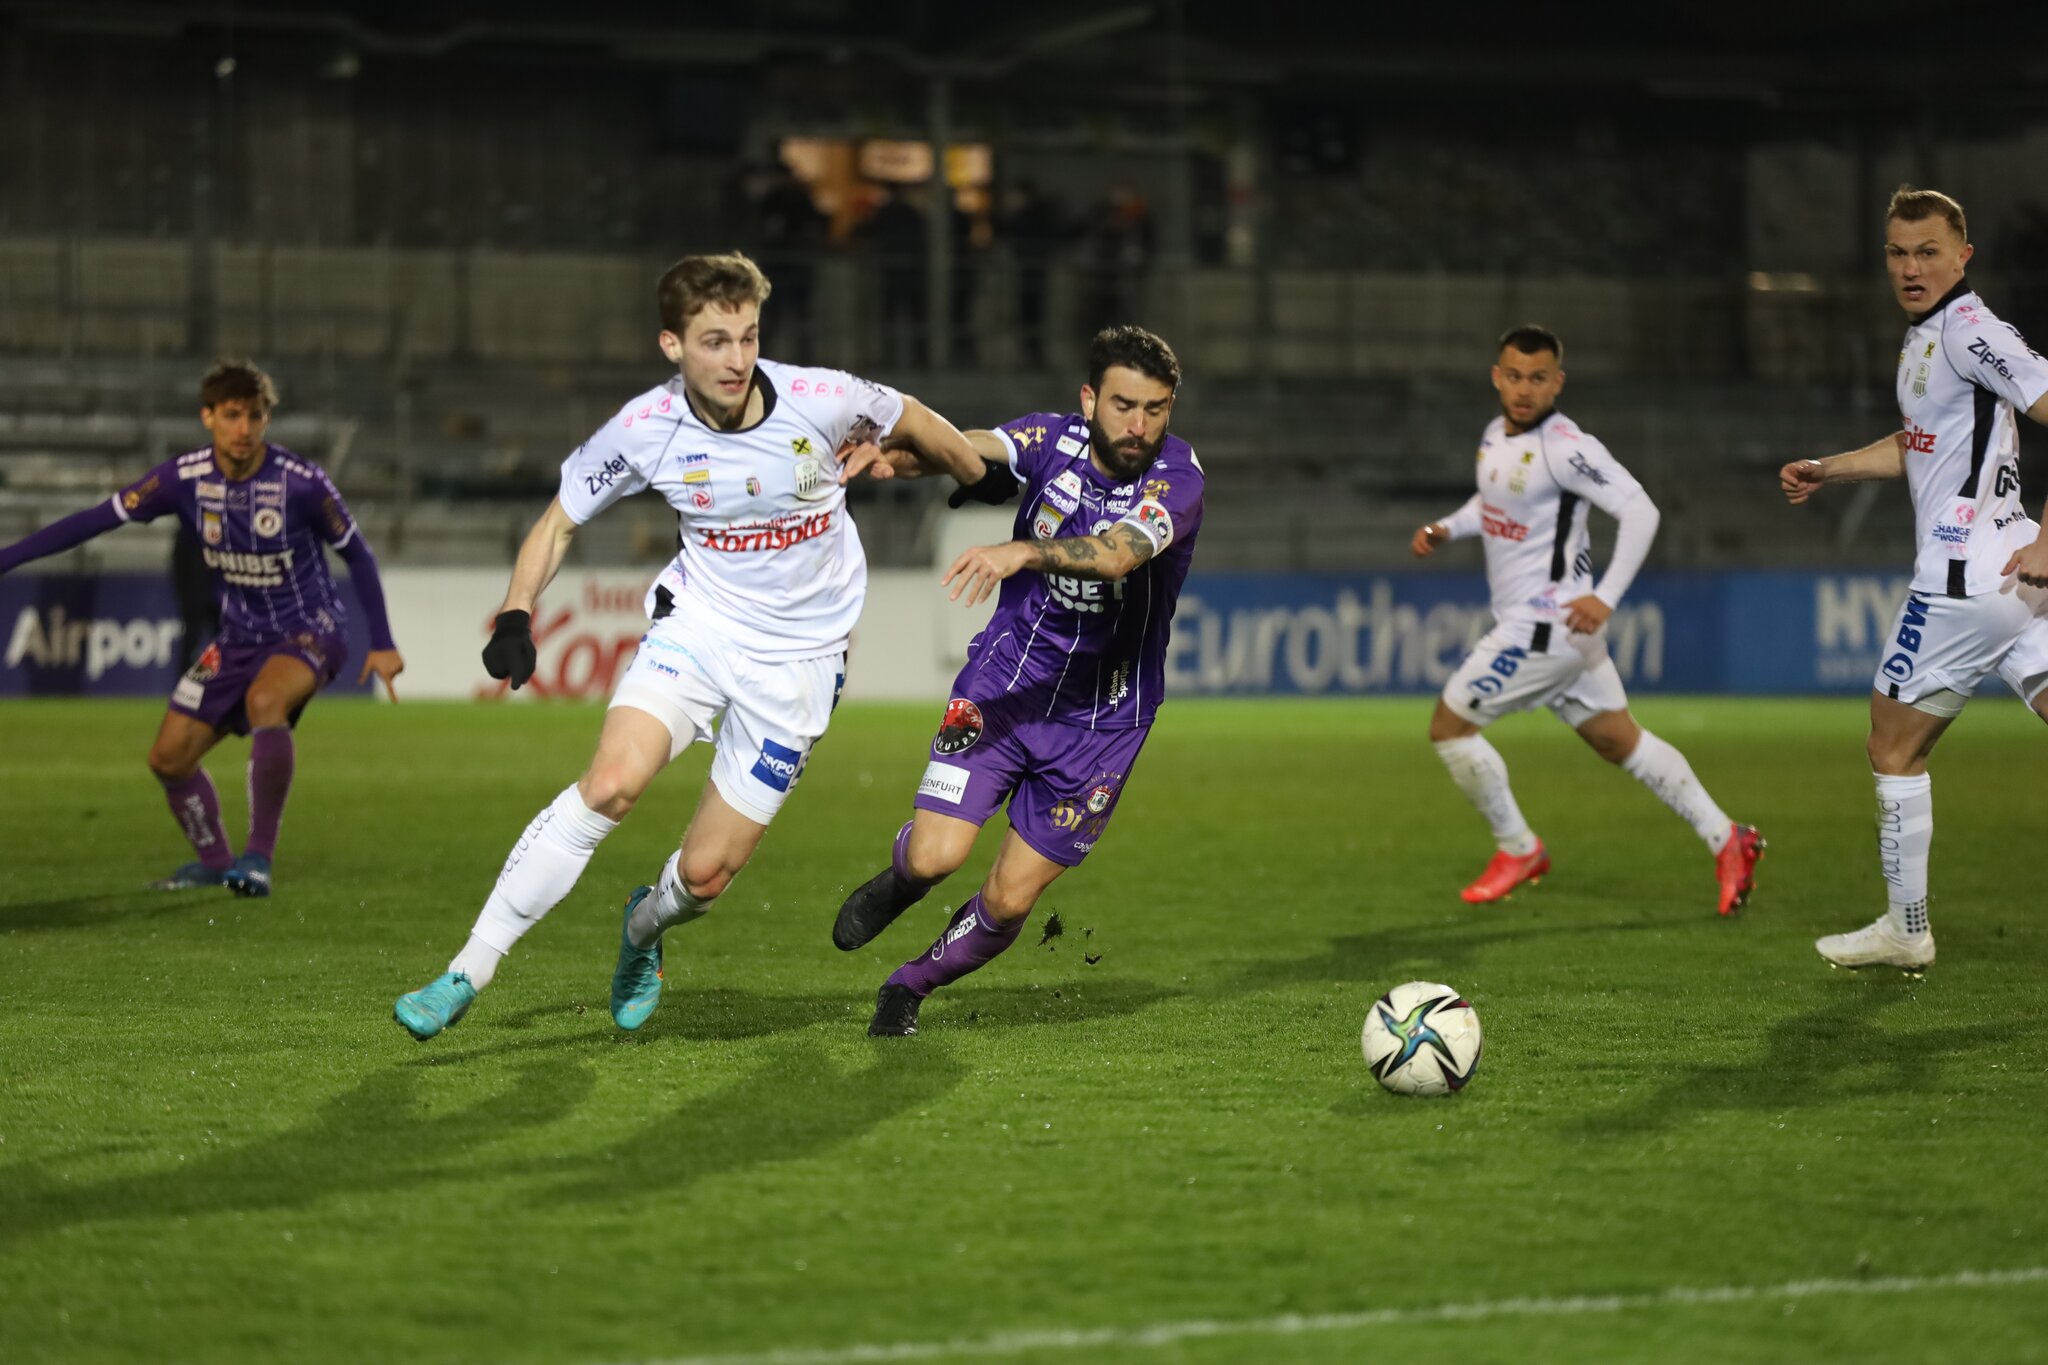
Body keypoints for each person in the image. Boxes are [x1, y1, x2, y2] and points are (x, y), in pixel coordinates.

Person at [391, 251, 983, 1041]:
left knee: (704, 877)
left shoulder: (823, 397)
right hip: (699, 628)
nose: (737, 359)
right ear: (672, 345)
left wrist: (948, 466)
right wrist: (515, 613)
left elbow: (926, 427)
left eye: (747, 337)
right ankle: (469, 966)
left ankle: (642, 932)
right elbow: (559, 520)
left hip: (801, 664)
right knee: (610, 783)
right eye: (714, 341)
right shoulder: (646, 428)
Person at [831, 325, 1205, 1036]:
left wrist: (1025, 552)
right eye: (1124, 405)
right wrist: (903, 456)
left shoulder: (1178, 479)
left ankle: (907, 986)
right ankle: (903, 877)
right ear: (1089, 398)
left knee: (1006, 902)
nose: (1140, 425)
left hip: (1103, 723)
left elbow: (1120, 554)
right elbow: (978, 455)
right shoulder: (1052, 439)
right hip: (1006, 684)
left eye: (1156, 409)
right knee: (937, 855)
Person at [0, 361, 404, 896]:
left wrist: (382, 641)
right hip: (236, 637)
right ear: (208, 417)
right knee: (167, 759)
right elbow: (95, 519)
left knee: (266, 702)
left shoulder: (302, 484)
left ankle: (256, 860)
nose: (244, 429)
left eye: (255, 416)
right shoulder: (181, 479)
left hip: (310, 627)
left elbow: (358, 555)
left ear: (266, 420)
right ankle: (215, 862)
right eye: (232, 415)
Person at [1781, 186, 2048, 974]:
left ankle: (1907, 929)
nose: (1910, 267)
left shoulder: (1971, 331)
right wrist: (1830, 468)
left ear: (1964, 256)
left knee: (1891, 747)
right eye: (1898, 253)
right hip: (2014, 576)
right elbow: (1920, 441)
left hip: (1966, 580)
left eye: (1928, 251)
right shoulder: (1930, 335)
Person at [1412, 325, 1763, 914]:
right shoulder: (1496, 435)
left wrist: (1607, 595)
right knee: (1619, 740)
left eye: (1538, 378)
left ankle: (1518, 847)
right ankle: (1728, 839)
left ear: (1558, 383)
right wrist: (1449, 526)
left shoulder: (1567, 447)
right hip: (1566, 634)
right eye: (1515, 376)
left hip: (1546, 625)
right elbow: (1493, 505)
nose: (1525, 389)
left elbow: (1640, 510)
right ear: (1498, 377)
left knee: (1449, 728)